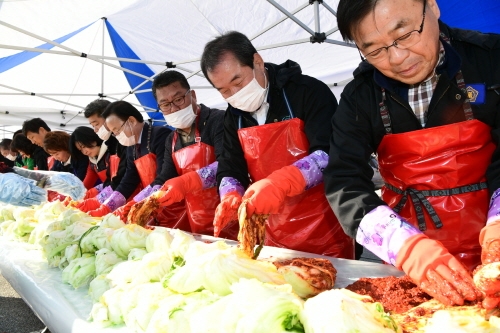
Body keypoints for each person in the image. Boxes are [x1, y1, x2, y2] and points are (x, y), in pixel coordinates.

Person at [325, 0, 500, 308]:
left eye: (404, 34)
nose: (397, 58)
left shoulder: (490, 60)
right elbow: (344, 180)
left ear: (431, 6)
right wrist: (403, 245)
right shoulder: (360, 97)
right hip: (412, 264)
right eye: (375, 50)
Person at [200, 31, 354, 258]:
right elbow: (230, 165)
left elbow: (330, 153)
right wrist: (231, 193)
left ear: (257, 62)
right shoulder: (233, 117)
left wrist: (281, 183)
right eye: (224, 91)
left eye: (238, 81)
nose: (234, 94)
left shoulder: (308, 92)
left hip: (326, 229)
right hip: (274, 235)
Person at [119, 70, 236, 237]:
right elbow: (163, 177)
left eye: (179, 99)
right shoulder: (171, 140)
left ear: (193, 95)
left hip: (230, 216)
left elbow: (228, 163)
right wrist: (137, 202)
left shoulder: (218, 120)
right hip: (196, 220)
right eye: (165, 104)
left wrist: (187, 182)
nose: (173, 108)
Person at [85, 101, 171, 217]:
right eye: (114, 133)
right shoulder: (131, 145)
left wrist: (134, 203)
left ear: (132, 121)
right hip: (151, 206)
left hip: (169, 204)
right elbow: (129, 180)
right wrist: (107, 206)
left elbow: (164, 177)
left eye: (117, 130)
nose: (116, 135)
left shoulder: (160, 135)